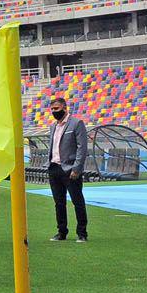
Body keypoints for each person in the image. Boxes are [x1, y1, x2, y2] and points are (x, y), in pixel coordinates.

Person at [44, 96, 89, 243]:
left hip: (70, 169)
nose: (53, 111)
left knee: (77, 201)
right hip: (54, 168)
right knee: (59, 202)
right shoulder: (53, 126)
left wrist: (77, 168)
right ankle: (61, 232)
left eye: (56, 109)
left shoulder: (76, 123)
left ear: (64, 107)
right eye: (52, 109)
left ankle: (82, 233)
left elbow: (82, 148)